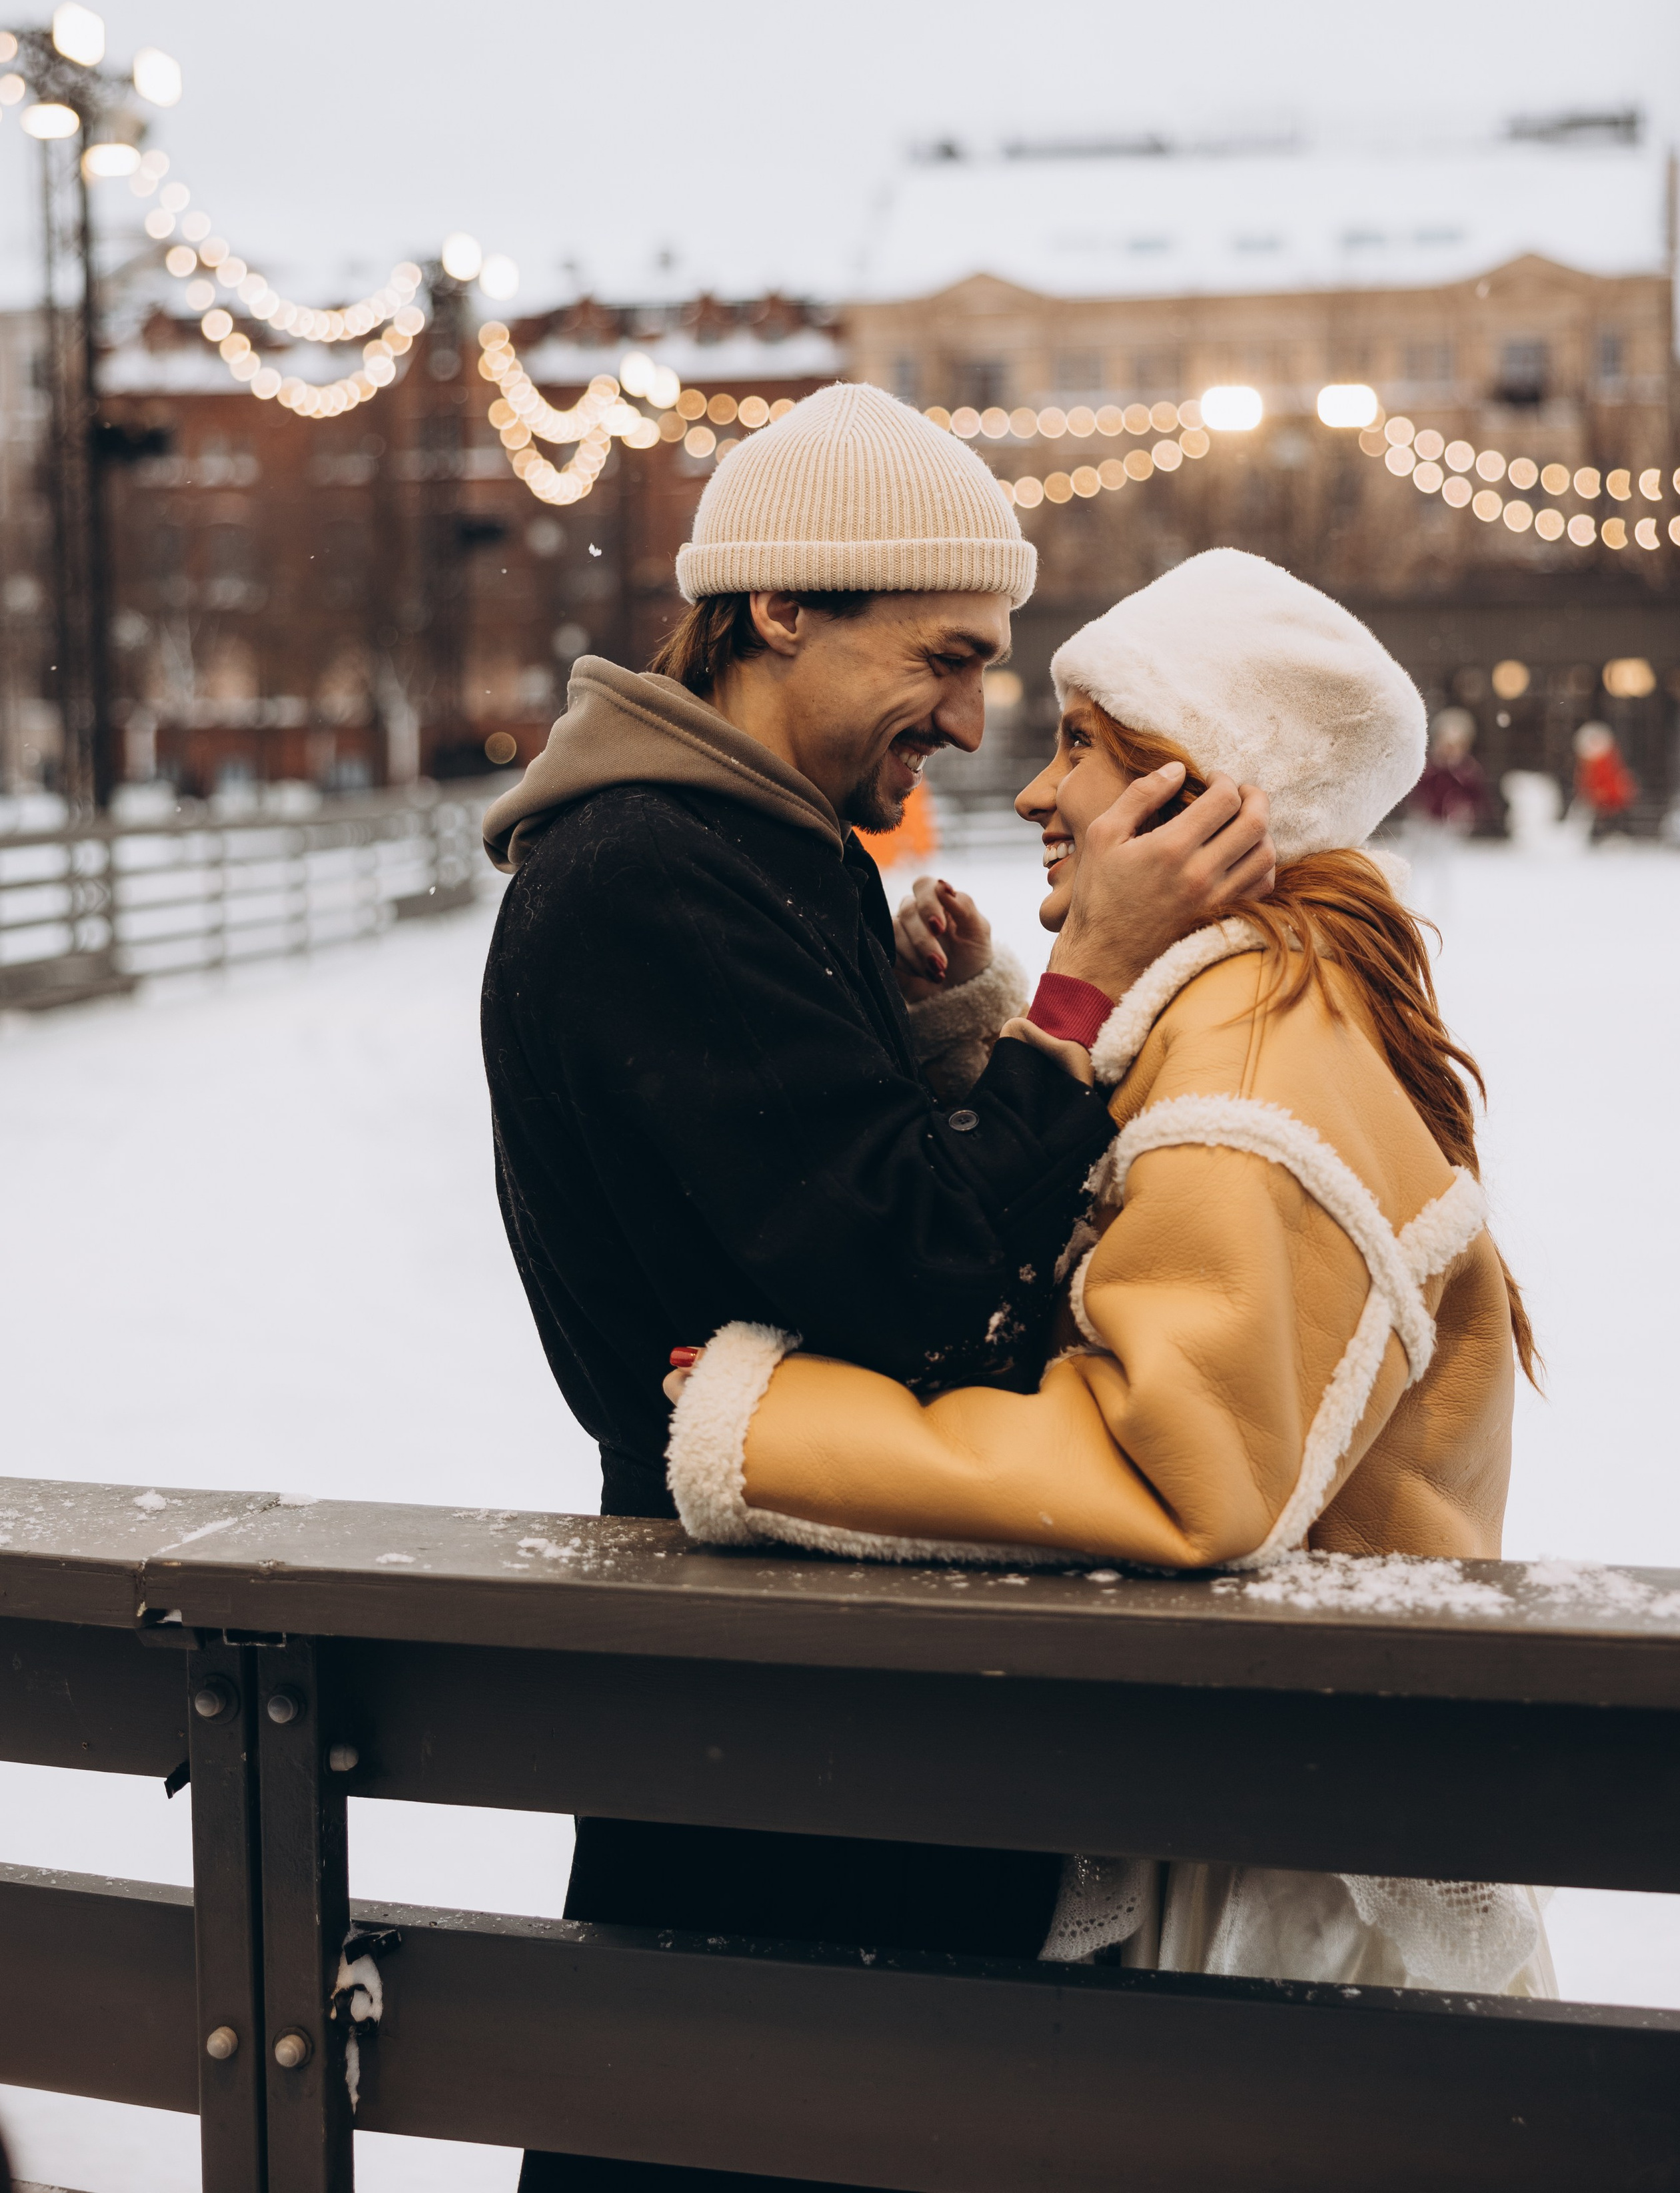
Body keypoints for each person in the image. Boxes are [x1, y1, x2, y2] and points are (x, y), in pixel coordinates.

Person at [480, 386, 1275, 2190]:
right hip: (763, 1668)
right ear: (781, 611)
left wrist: (937, 1036)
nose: (976, 719)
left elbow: (794, 1195)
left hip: (805, 1630)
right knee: (766, 2128)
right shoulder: (649, 873)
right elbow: (911, 1273)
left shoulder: (759, 851)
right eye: (948, 656)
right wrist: (1082, 1003)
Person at [668, 547, 1554, 1999]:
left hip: (1279, 1881)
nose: (1029, 787)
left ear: (1197, 793)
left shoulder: (1253, 1071)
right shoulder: (1252, 1013)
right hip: (1273, 1798)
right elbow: (1157, 1264)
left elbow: (1172, 1468)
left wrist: (764, 1422)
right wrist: (978, 1047)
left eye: (1078, 745)